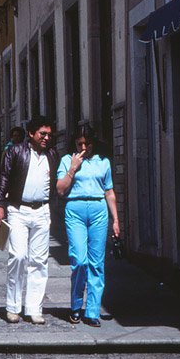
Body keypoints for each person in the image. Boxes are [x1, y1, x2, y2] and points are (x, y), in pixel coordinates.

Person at [0, 115, 59, 325]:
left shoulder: (52, 155)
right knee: (18, 256)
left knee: (39, 261)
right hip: (18, 210)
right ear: (31, 134)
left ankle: (34, 309)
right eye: (42, 134)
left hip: (42, 211)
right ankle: (13, 307)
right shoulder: (16, 151)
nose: (46, 138)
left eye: (49, 134)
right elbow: (4, 177)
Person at [57, 122, 120, 327]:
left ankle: (92, 311)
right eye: (79, 144)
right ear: (74, 143)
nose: (84, 148)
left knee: (96, 262)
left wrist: (116, 219)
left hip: (98, 209)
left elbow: (109, 191)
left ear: (94, 143)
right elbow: (60, 189)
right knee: (79, 260)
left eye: (87, 144)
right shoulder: (67, 160)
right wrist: (73, 169)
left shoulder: (103, 162)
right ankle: (76, 306)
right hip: (75, 208)